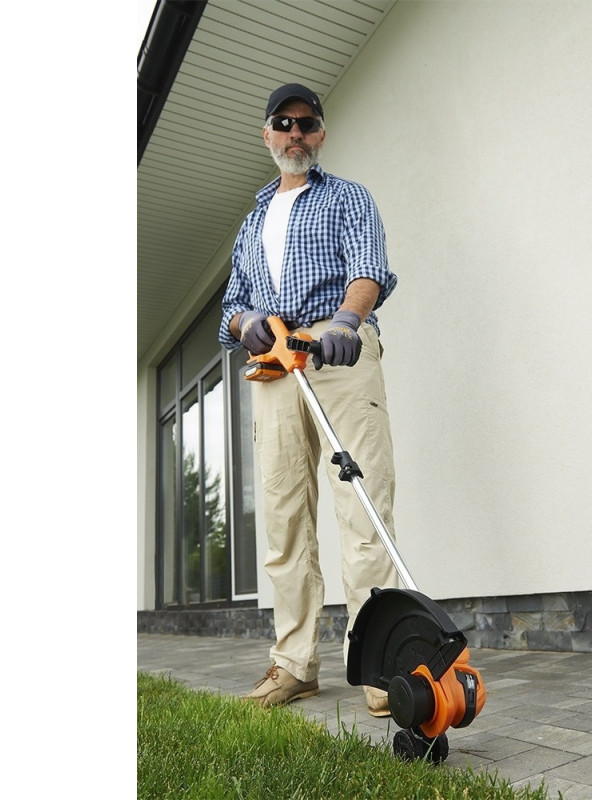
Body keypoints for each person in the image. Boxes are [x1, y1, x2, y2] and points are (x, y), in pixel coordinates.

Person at [218, 83, 399, 717]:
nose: (295, 132)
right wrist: (246, 323)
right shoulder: (251, 221)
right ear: (266, 134)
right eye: (283, 122)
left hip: (333, 348)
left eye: (307, 122)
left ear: (320, 133)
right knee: (283, 513)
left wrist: (349, 321)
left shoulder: (348, 197)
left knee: (363, 502)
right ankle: (294, 663)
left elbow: (368, 267)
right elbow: (231, 303)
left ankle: (378, 662)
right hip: (274, 363)